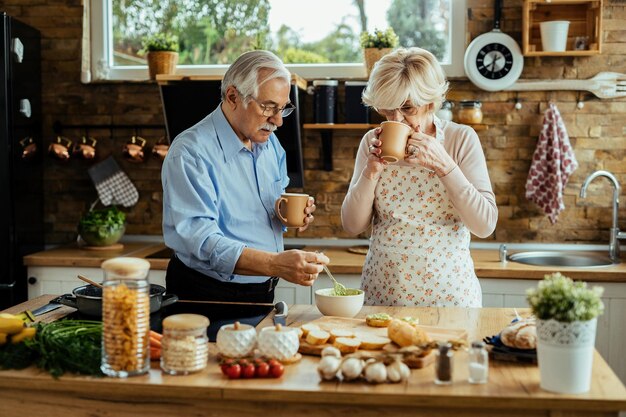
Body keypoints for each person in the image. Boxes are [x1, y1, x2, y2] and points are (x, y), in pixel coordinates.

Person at [161, 50, 329, 303]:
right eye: (267, 107)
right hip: (207, 295)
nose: (277, 121)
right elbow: (202, 241)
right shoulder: (190, 153)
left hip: (262, 292)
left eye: (282, 109)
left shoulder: (271, 146)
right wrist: (274, 263)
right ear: (232, 97)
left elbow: (261, 210)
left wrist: (284, 213)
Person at [341, 47, 497, 308]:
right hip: (383, 294)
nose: (397, 120)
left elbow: (485, 224)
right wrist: (370, 173)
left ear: (430, 101)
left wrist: (444, 165)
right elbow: (351, 225)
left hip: (449, 298)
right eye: (388, 111)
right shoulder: (372, 141)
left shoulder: (461, 139)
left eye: (407, 109)